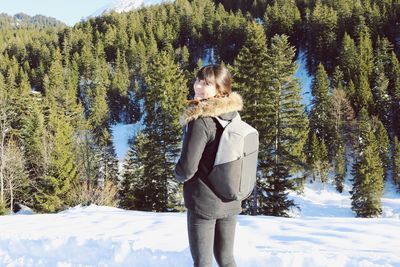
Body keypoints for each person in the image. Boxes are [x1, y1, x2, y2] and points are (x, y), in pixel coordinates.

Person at [173, 64, 244, 267]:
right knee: (227, 259)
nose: (198, 86)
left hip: (203, 202)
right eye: (197, 80)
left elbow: (187, 168)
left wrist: (176, 174)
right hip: (229, 198)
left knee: (203, 263)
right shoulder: (233, 115)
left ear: (220, 89)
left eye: (206, 83)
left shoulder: (200, 120)